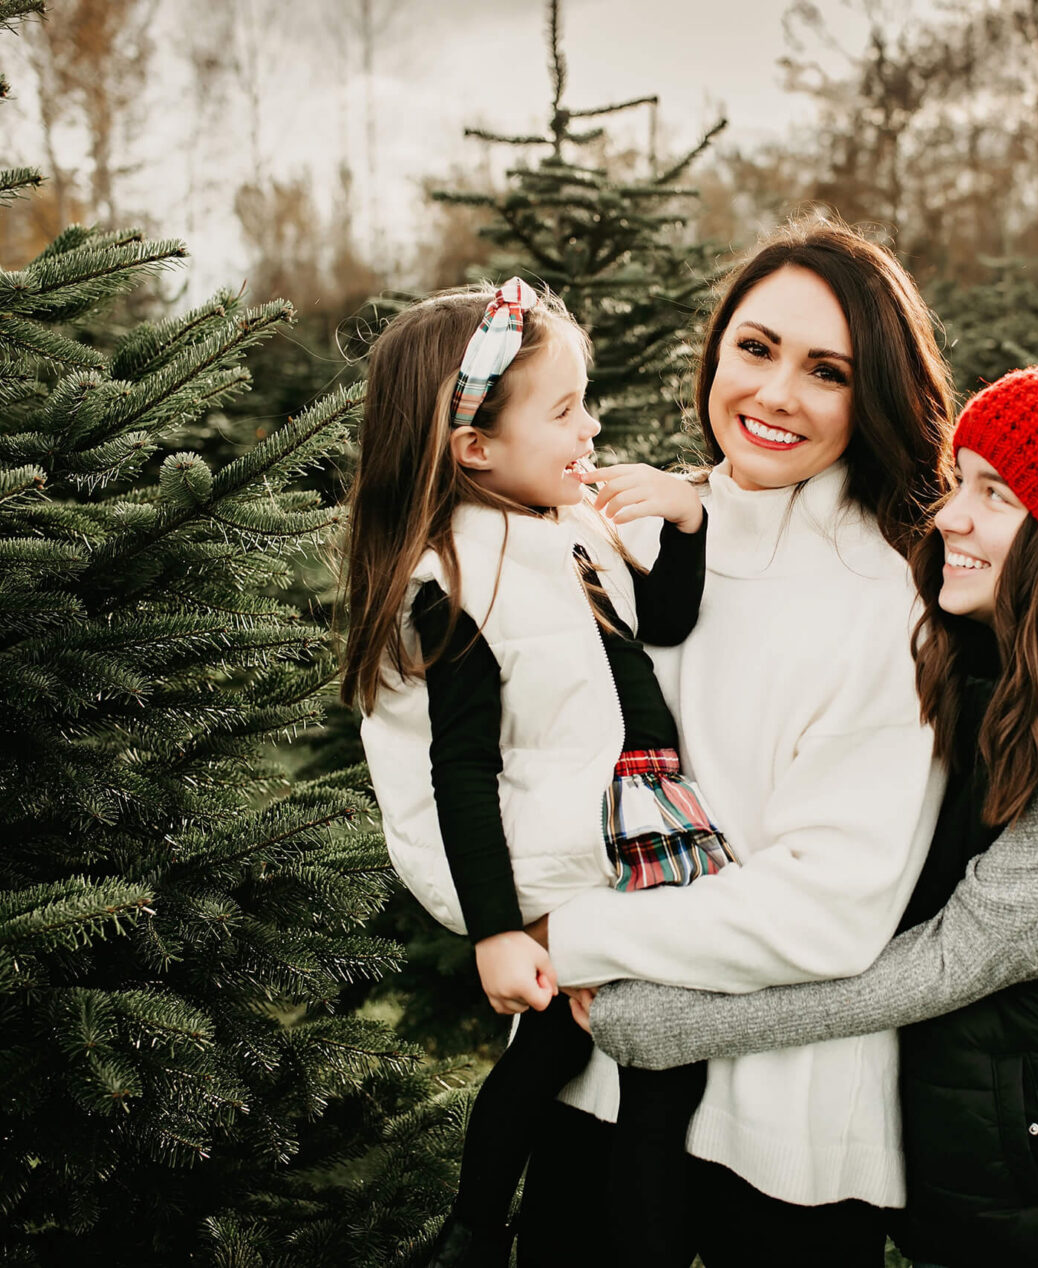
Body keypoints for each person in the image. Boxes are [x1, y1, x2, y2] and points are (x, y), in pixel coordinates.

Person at [574, 272, 1038, 1268]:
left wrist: (680, 1019)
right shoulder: (988, 662)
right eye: (959, 481)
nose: (947, 515)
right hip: (995, 1167)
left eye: (994, 496)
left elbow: (953, 957)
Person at [510, 217, 957, 1268]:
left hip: (779, 1136)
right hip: (593, 1078)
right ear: (714, 351)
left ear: (874, 395)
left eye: (827, 370)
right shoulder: (628, 534)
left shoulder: (890, 601)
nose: (773, 393)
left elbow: (827, 908)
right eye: (754, 348)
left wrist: (564, 936)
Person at [339, 279, 730, 1268]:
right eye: (564, 409)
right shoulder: (454, 580)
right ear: (476, 448)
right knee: (590, 1054)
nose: (590, 426)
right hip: (574, 848)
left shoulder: (576, 524)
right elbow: (458, 771)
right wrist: (498, 932)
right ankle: (478, 1226)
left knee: (624, 1057)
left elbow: (668, 621)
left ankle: (529, 1232)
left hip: (643, 815)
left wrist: (686, 517)